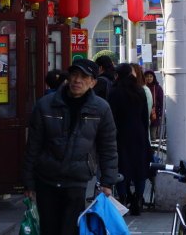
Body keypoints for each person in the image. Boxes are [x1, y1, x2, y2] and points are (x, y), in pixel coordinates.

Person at [22, 59, 118, 235]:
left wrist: (107, 182)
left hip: (77, 179)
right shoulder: (45, 105)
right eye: (74, 75)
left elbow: (108, 147)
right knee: (48, 229)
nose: (77, 80)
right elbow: (32, 146)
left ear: (93, 82)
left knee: (71, 229)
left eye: (84, 77)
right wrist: (28, 182)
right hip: (47, 178)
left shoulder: (101, 109)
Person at [108, 63, 151, 215]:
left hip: (120, 135)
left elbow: (110, 117)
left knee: (122, 168)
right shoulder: (139, 91)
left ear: (118, 75)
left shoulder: (113, 92)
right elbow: (145, 116)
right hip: (138, 133)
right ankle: (138, 199)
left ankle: (123, 198)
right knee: (139, 168)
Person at [144, 69, 164, 140]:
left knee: (152, 136)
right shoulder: (142, 87)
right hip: (143, 115)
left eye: (151, 76)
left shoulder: (158, 88)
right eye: (147, 76)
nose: (149, 78)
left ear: (154, 77)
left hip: (154, 116)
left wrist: (161, 114)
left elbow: (162, 102)